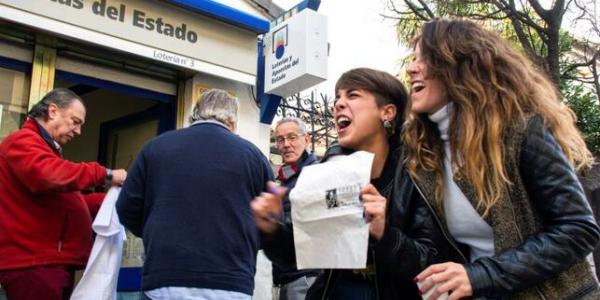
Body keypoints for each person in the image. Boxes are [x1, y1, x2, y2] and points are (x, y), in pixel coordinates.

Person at [405, 18, 600, 300]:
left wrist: (480, 276)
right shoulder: (425, 150)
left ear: (460, 66)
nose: (411, 68)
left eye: (426, 59)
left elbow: (578, 230)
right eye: (414, 58)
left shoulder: (523, 131)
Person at [252, 68, 448, 299]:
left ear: (387, 112)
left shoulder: (417, 172)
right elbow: (300, 255)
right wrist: (273, 228)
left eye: (352, 95)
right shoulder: (330, 171)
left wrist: (385, 234)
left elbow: (434, 263)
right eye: (337, 98)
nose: (338, 104)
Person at [116, 89, 273, 300]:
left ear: (194, 116)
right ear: (232, 122)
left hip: (164, 281)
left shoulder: (155, 148)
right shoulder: (253, 156)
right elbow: (270, 219)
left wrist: (157, 234)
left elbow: (126, 208)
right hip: (231, 283)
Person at [0, 88, 126, 300]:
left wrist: (112, 200)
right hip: (34, 265)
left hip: (46, 264)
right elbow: (48, 175)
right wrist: (106, 174)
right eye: (75, 121)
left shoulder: (43, 150)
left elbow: (67, 202)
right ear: (52, 111)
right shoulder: (22, 142)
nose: (78, 131)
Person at [261, 117, 320, 300]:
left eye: (292, 137)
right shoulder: (286, 177)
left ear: (307, 139)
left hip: (305, 277)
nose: (286, 144)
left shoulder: (315, 174)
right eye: (280, 139)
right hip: (287, 276)